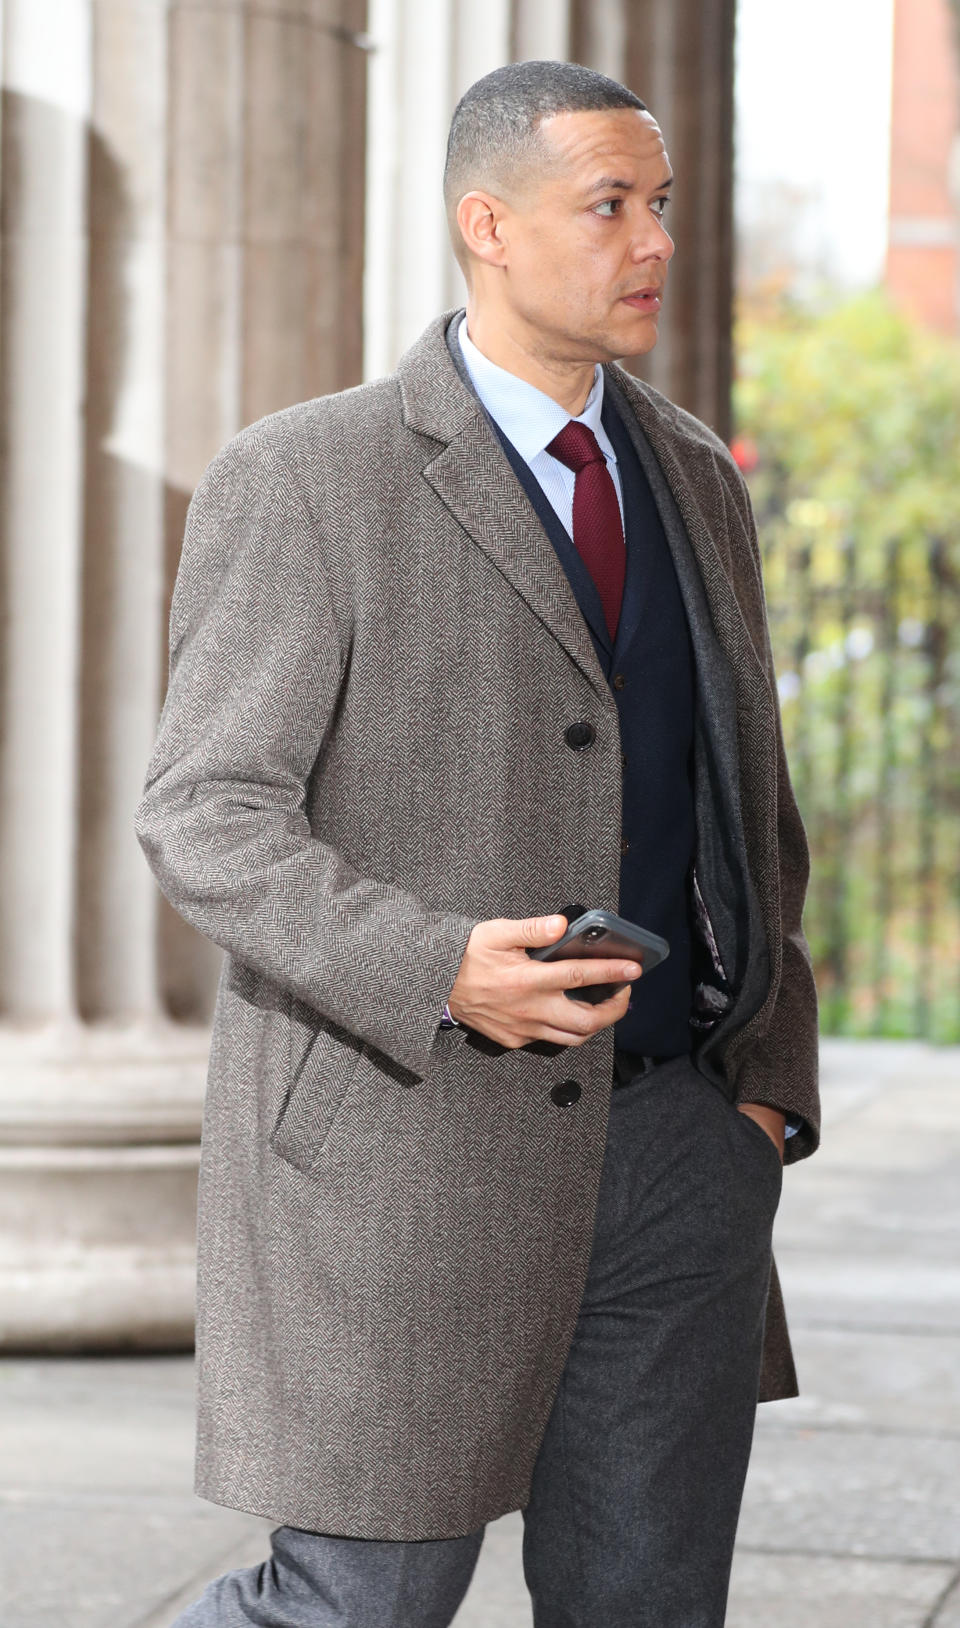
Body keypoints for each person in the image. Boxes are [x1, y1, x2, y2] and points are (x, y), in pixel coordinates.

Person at [135, 58, 819, 1628]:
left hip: (676, 1151)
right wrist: (438, 967)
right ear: (488, 225)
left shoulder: (700, 479)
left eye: (660, 204)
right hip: (405, 1151)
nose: (651, 239)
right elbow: (206, 811)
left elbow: (751, 811)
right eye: (609, 206)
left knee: (646, 1605)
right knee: (360, 1602)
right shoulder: (309, 478)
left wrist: (765, 1093)